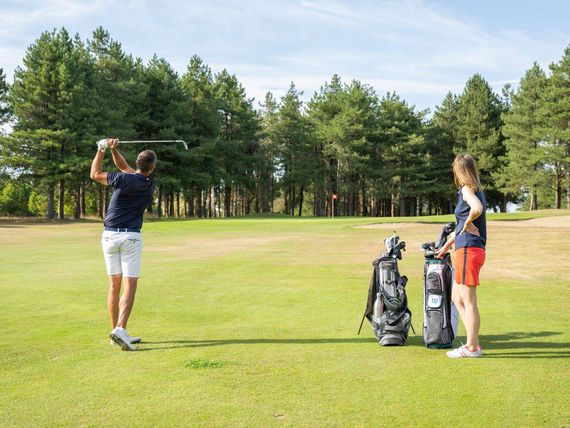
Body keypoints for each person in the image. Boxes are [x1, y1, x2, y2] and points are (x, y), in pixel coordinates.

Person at [90, 138, 156, 351]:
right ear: (152, 167)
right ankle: (119, 329)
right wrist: (112, 150)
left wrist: (101, 149)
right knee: (130, 285)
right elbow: (123, 167)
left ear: (137, 163)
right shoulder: (148, 184)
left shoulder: (123, 179)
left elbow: (95, 174)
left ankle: (117, 332)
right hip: (130, 238)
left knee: (113, 285)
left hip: (109, 237)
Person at [436, 153, 487, 358]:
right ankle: (473, 341)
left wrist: (467, 223)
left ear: (460, 171)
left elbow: (476, 209)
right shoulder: (477, 190)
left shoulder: (467, 189)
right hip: (468, 249)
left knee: (469, 300)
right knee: (457, 298)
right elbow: (463, 224)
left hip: (469, 250)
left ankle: (472, 348)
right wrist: (447, 244)